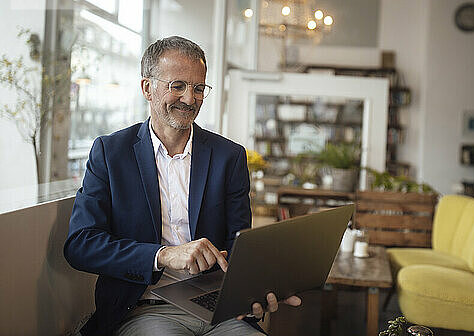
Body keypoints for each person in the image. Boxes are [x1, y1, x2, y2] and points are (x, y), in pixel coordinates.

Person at [64, 36, 300, 336]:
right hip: (144, 310)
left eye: (199, 88)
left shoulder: (230, 157)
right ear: (147, 88)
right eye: (178, 86)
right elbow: (81, 245)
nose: (190, 99)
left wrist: (258, 290)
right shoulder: (111, 153)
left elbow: (240, 247)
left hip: (220, 312)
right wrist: (162, 255)